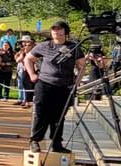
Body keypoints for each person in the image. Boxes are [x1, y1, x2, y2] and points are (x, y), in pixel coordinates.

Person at [24, 21, 86, 153]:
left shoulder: (74, 47)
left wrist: (76, 82)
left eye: (59, 29)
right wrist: (32, 74)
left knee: (59, 116)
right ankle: (35, 140)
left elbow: (81, 66)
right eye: (54, 29)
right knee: (41, 113)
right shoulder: (44, 46)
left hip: (64, 86)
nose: (56, 32)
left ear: (65, 32)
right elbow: (28, 59)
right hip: (45, 84)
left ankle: (56, 143)